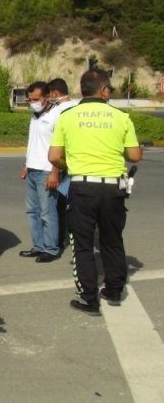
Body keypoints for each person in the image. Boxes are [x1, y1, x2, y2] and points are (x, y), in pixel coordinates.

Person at [48, 68, 142, 315]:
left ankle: (88, 298)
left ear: (82, 90)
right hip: (113, 188)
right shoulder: (121, 116)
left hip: (82, 187)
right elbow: (135, 155)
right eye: (109, 89)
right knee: (112, 241)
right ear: (103, 90)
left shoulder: (68, 116)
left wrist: (68, 165)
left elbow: (54, 156)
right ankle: (113, 290)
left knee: (82, 245)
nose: (109, 93)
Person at [19, 81, 61, 263]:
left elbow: (61, 147)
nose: (33, 102)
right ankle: (39, 246)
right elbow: (33, 142)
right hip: (32, 170)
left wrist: (55, 172)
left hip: (46, 171)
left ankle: (51, 249)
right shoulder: (35, 116)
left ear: (48, 96)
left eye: (36, 99)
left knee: (47, 212)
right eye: (30, 100)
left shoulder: (57, 115)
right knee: (32, 211)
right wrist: (27, 164)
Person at [47, 78, 79, 248]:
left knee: (61, 204)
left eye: (49, 94)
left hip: (63, 164)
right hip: (78, 163)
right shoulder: (77, 107)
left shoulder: (59, 112)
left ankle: (60, 238)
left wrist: (54, 171)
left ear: (55, 93)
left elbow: (57, 145)